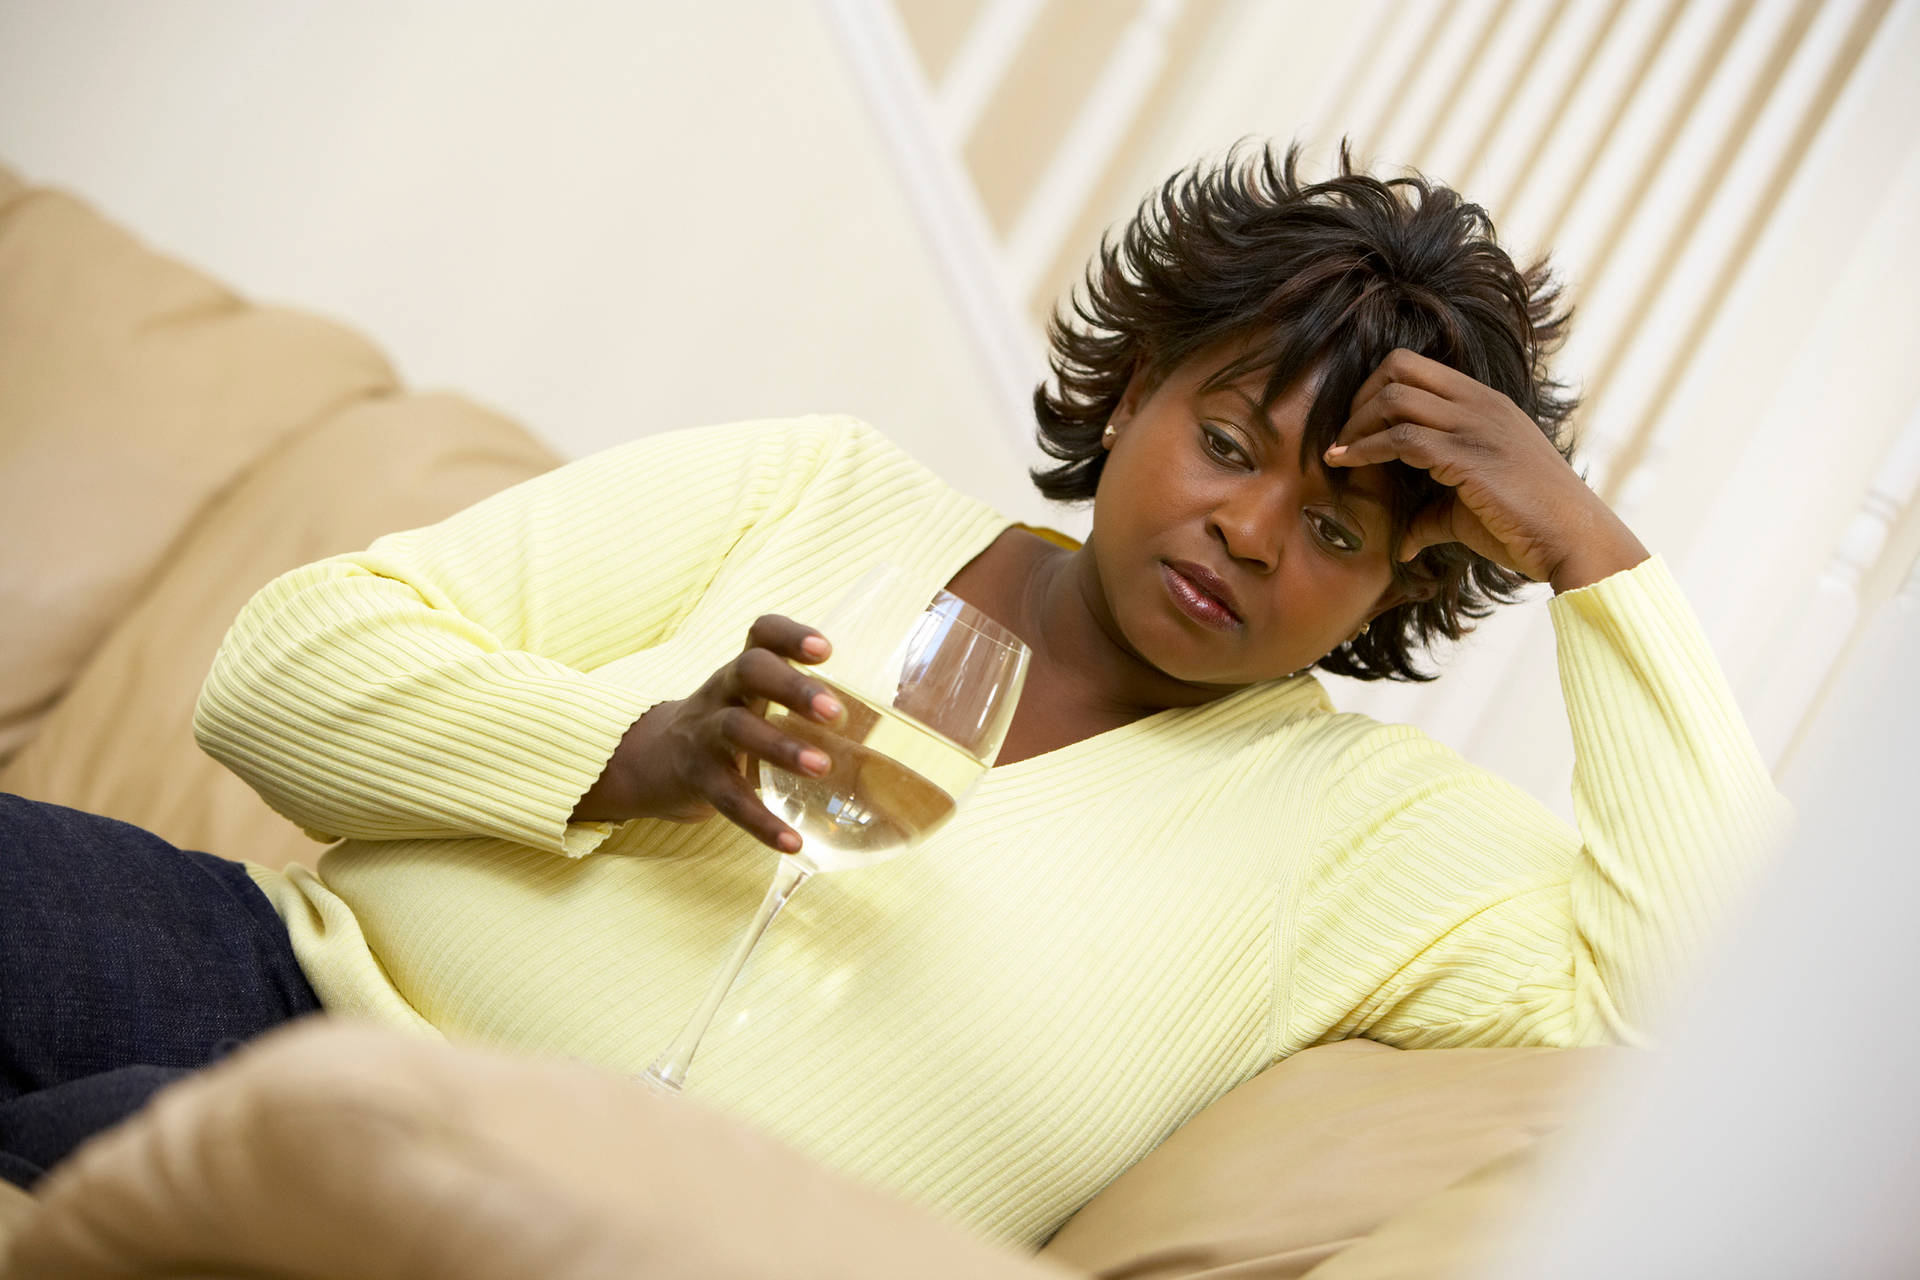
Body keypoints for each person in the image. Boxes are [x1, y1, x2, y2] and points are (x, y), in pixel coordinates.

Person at [0, 140, 1787, 1247]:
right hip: (269, 968)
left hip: (613, 1211)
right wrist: (638, 750)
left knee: (80, 1166)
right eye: (1229, 438)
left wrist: (1594, 566)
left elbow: (1702, 1015)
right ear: (1136, 389)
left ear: (1401, 580)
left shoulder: (1377, 837)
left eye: (1333, 522)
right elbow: (281, 670)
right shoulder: (815, 489)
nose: (1247, 529)